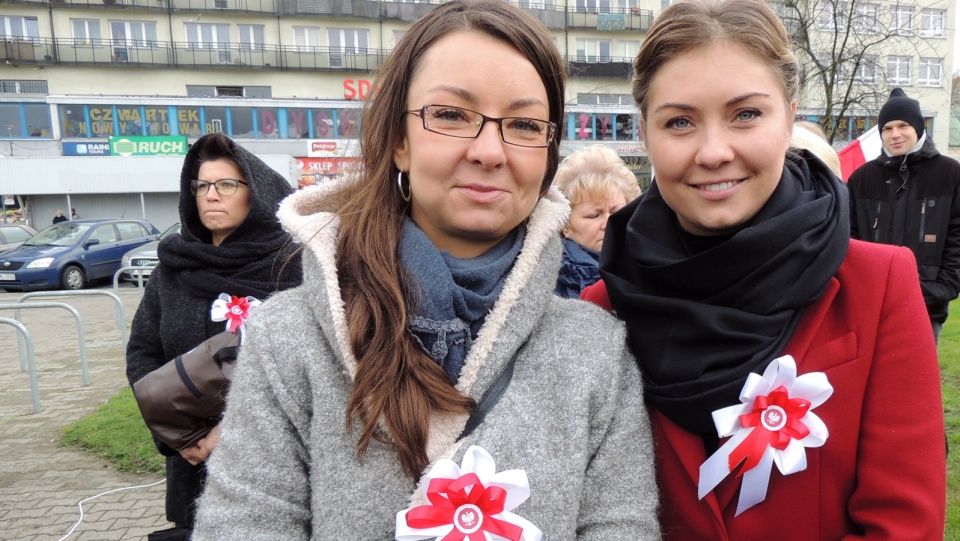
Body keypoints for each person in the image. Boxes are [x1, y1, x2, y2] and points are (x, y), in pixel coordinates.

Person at [193, 1, 660, 539]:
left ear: (549, 153)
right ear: (398, 140)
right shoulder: (287, 341)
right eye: (451, 115)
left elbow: (619, 526)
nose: (489, 150)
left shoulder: (595, 349)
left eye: (525, 124)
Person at [581, 0, 946, 538]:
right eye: (679, 121)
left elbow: (902, 524)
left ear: (789, 116)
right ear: (645, 132)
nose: (713, 151)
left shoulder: (880, 285)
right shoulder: (601, 309)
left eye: (746, 114)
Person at [126, 133, 302, 540]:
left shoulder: (293, 269)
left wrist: (235, 428)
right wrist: (179, 436)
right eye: (202, 186)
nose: (211, 196)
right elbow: (142, 353)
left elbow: (308, 368)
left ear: (255, 194)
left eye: (226, 185)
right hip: (192, 463)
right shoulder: (171, 271)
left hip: (273, 463)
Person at [848, 87, 960, 343]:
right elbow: (850, 241)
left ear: (918, 127)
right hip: (871, 307)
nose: (895, 134)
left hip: (926, 308)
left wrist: (941, 289)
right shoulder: (861, 179)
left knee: (917, 381)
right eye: (887, 128)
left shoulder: (950, 174)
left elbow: (957, 239)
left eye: (903, 125)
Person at [553, 144, 640, 298]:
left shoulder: (650, 262)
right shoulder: (548, 278)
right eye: (594, 215)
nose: (608, 224)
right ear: (565, 225)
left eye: (616, 212)